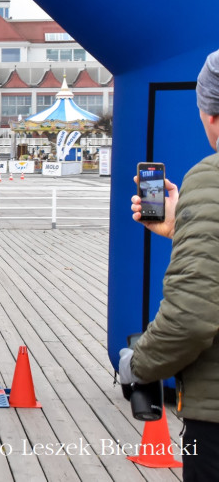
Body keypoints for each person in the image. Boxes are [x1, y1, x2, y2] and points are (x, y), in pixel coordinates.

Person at [122, 48, 219, 480]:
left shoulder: (210, 178)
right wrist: (184, 230)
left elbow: (192, 319)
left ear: (211, 113)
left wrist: (137, 364)